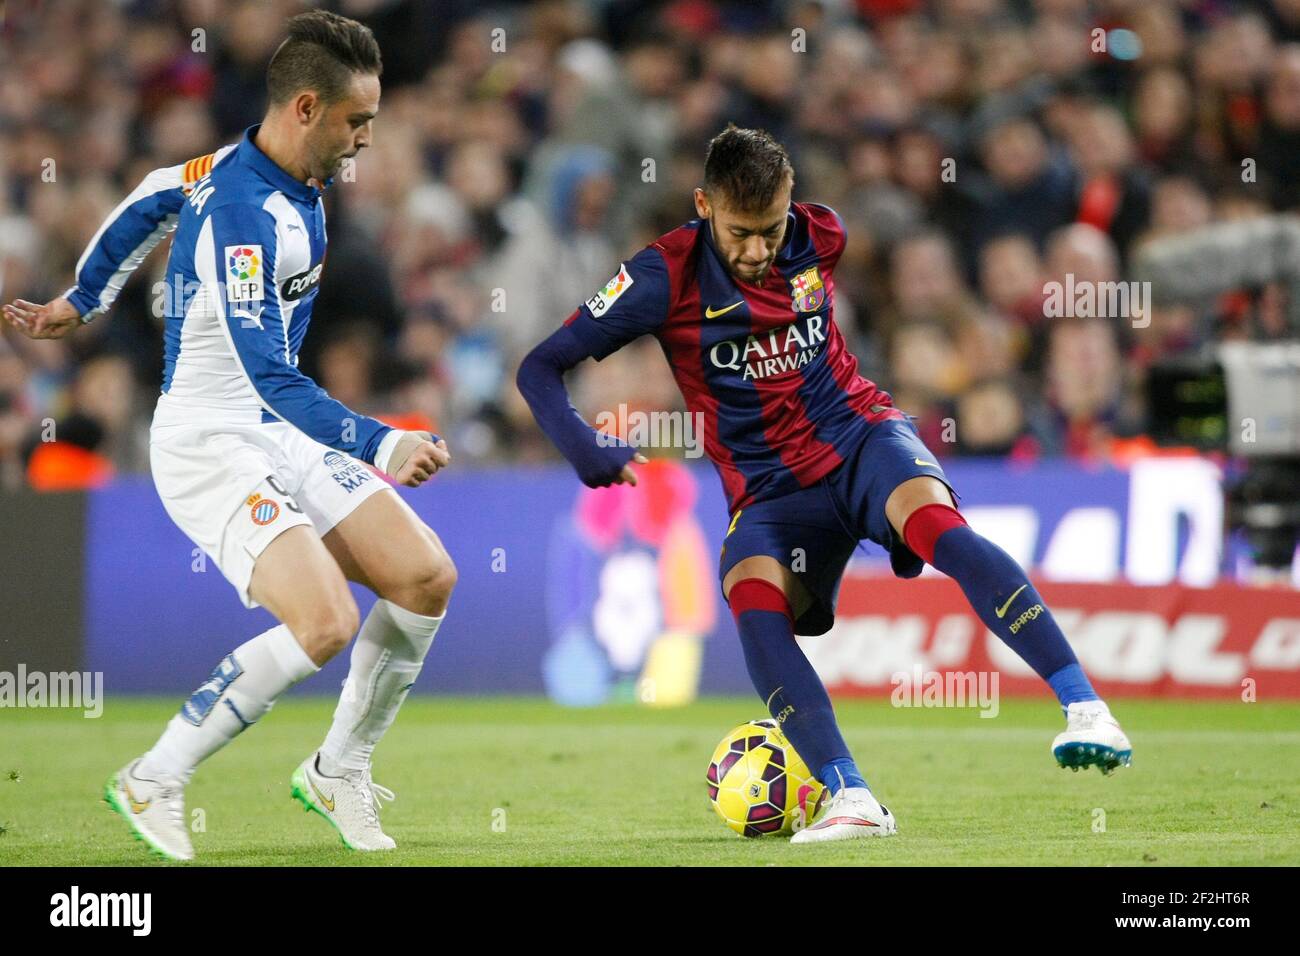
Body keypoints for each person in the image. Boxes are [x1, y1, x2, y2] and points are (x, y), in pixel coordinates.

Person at [516, 125, 1132, 845]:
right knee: (750, 600)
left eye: (770, 230)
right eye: (739, 233)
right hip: (769, 491)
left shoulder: (823, 236)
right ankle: (852, 795)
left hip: (860, 436)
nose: (756, 251)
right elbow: (540, 366)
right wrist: (582, 444)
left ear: (793, 207)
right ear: (703, 205)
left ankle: (1086, 708)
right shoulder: (660, 277)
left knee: (940, 530)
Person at [3, 11, 456, 861]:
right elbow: (264, 375)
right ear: (308, 109)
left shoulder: (238, 169)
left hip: (277, 426)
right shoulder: (246, 217)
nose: (366, 138)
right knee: (323, 623)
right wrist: (380, 441)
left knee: (425, 577)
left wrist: (80, 300)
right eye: (358, 121)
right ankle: (156, 775)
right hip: (210, 439)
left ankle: (337, 768)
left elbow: (148, 196)